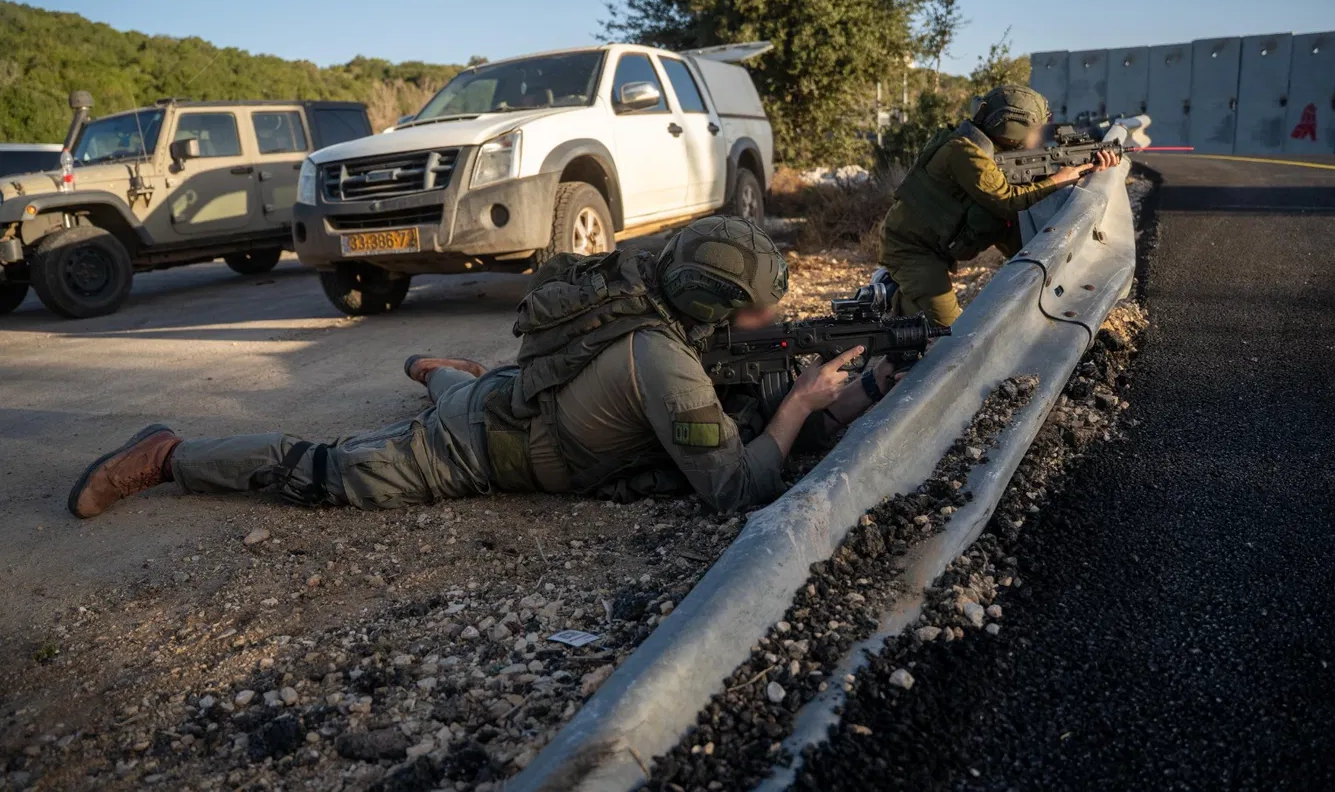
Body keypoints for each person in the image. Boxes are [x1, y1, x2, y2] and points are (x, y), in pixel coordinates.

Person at [68, 217, 901, 520]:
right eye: (756, 312)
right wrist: (798, 408)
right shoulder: (665, 358)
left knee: (472, 385)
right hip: (480, 448)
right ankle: (171, 453)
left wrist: (863, 389)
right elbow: (734, 491)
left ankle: (442, 370)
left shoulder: (656, 307)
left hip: (515, 395)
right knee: (333, 473)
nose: (772, 325)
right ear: (711, 304)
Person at [878, 84, 1117, 327]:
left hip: (936, 243)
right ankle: (893, 298)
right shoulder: (964, 151)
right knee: (946, 335)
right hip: (913, 249)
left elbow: (1022, 185)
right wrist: (1059, 179)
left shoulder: (992, 150)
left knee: (1026, 238)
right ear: (1012, 124)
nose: (1037, 134)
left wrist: (1085, 167)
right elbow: (1007, 200)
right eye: (1034, 127)